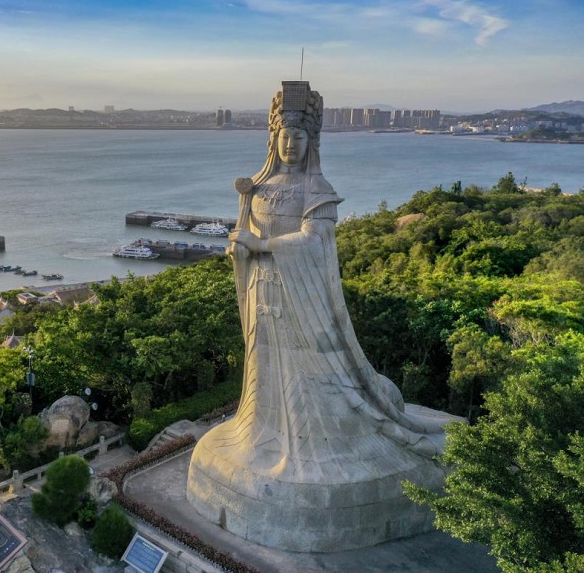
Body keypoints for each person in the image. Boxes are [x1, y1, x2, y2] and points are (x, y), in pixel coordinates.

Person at [186, 81, 455, 551]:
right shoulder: (260, 186)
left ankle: (310, 447)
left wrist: (262, 245)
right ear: (273, 139)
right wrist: (240, 247)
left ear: (312, 142)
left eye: (299, 137)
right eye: (284, 136)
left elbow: (316, 245)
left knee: (307, 380)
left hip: (303, 303)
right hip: (264, 296)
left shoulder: (317, 189)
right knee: (264, 372)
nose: (291, 144)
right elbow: (242, 237)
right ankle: (260, 433)